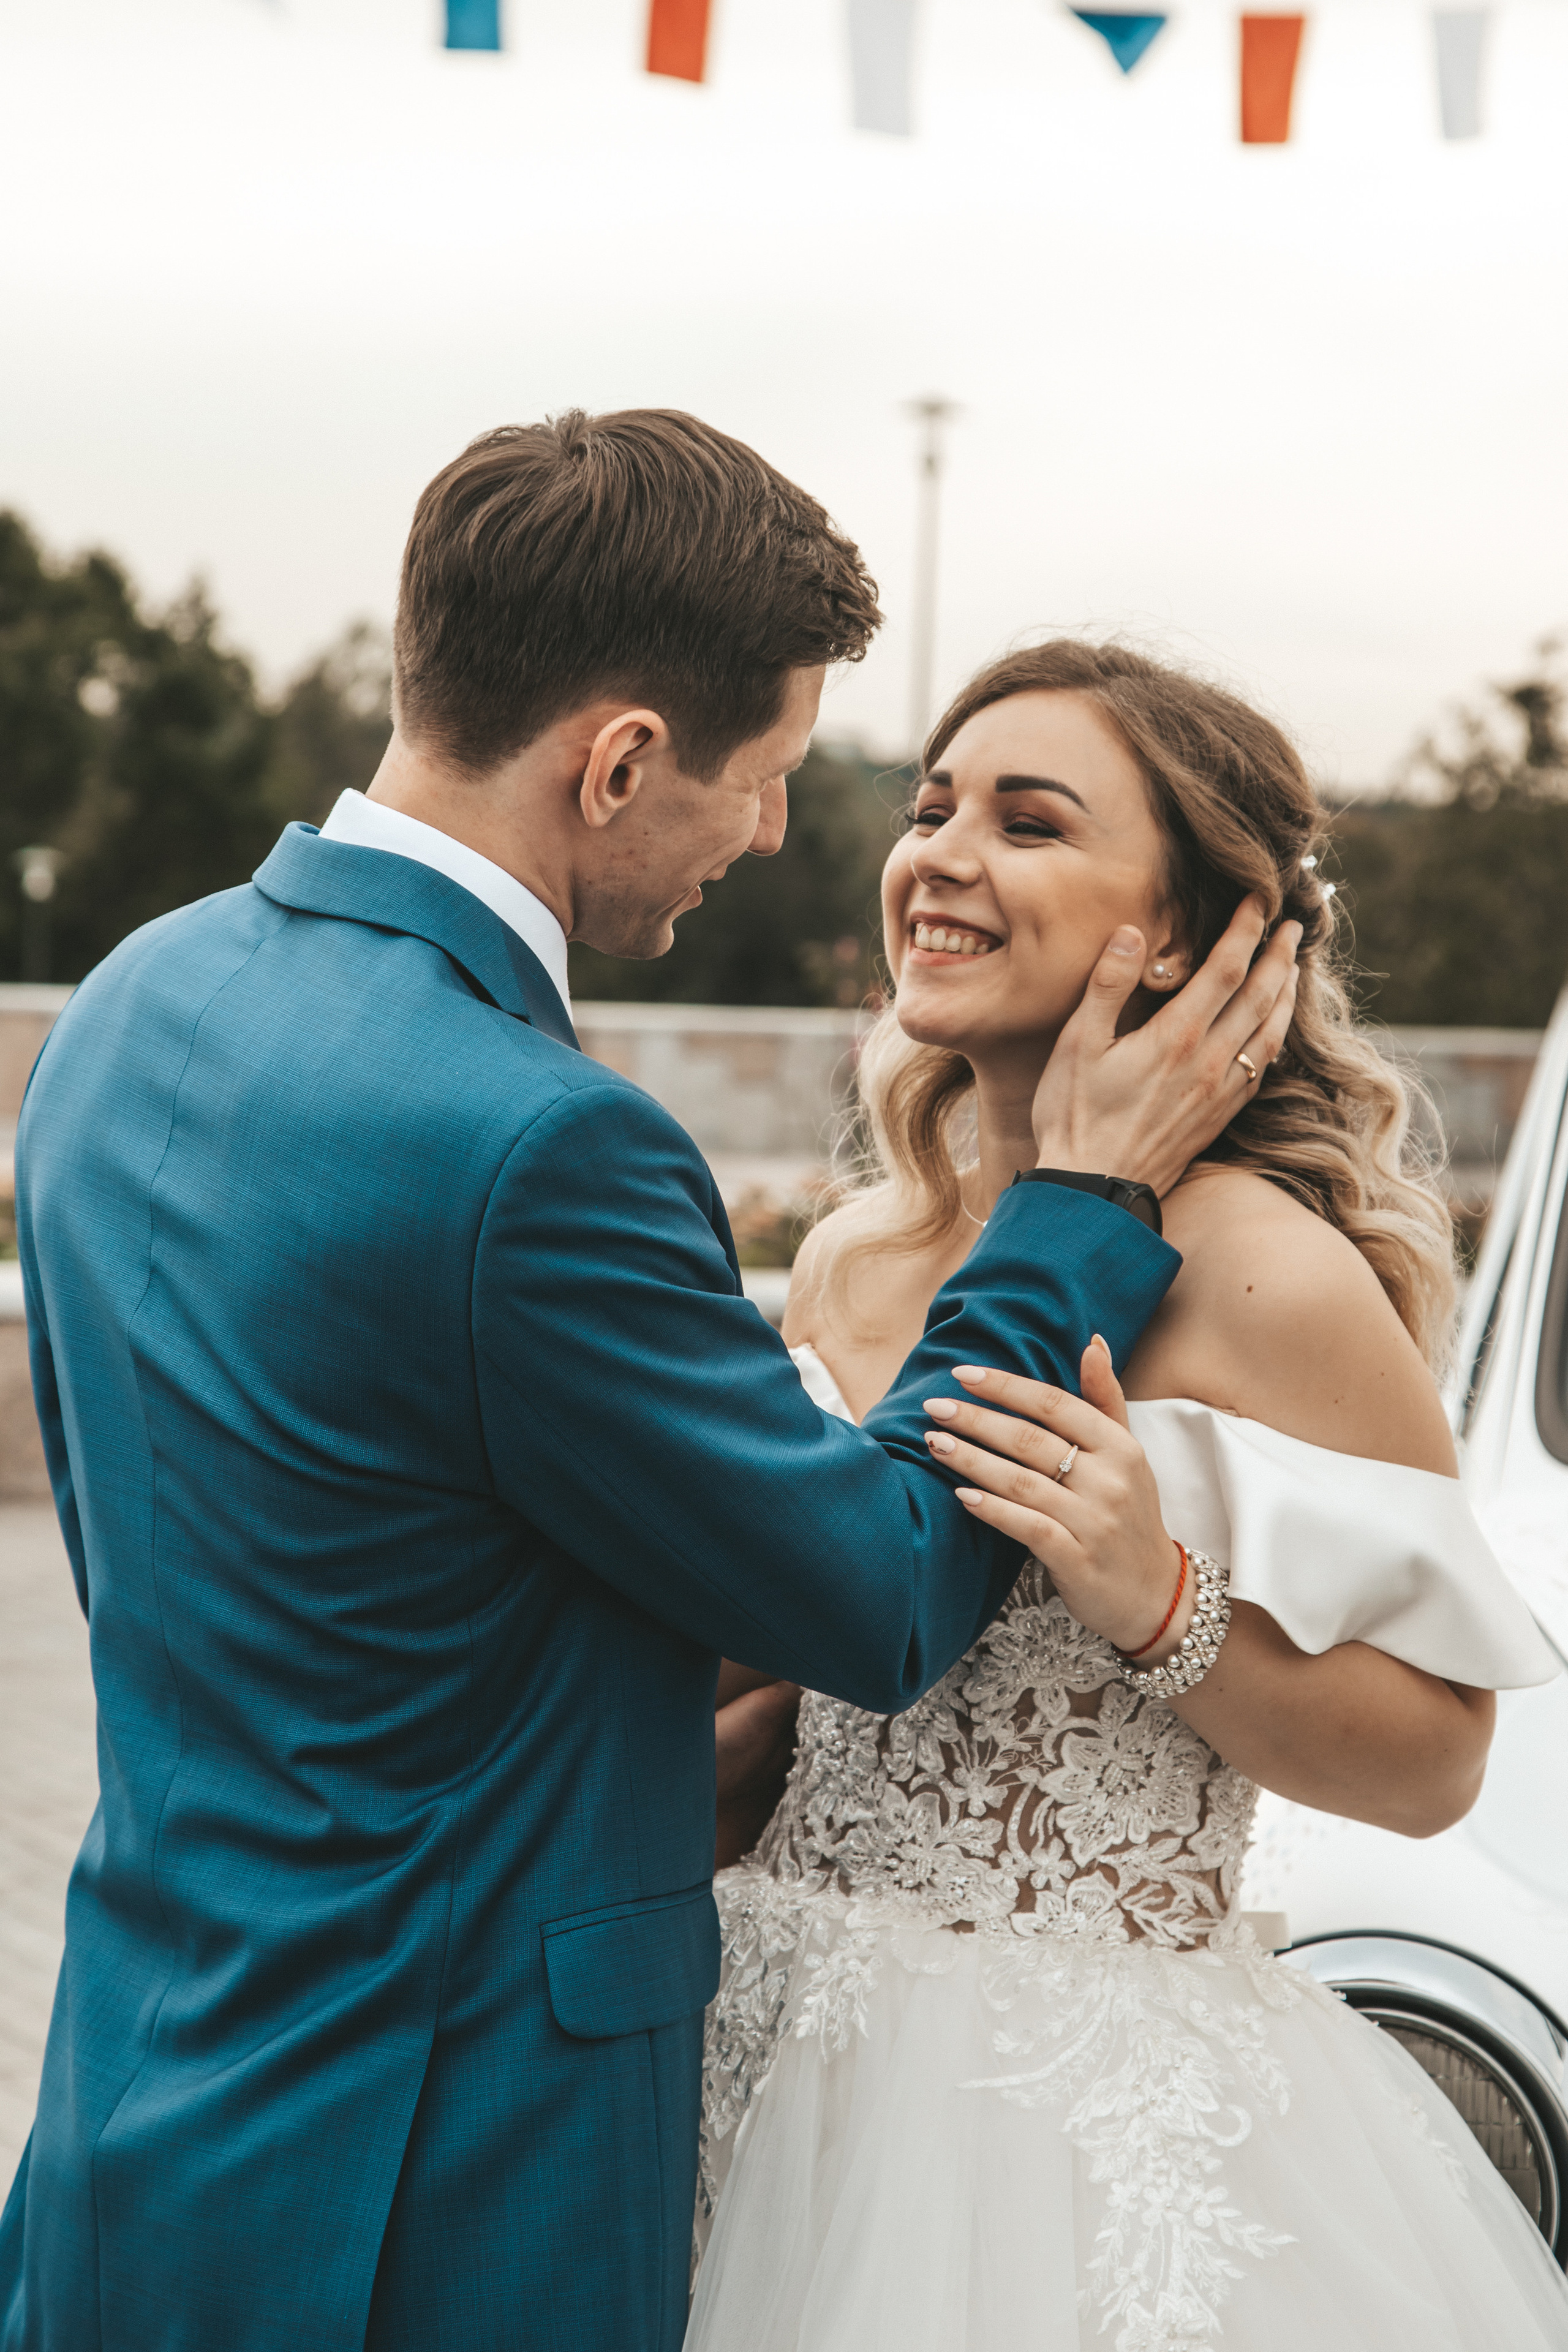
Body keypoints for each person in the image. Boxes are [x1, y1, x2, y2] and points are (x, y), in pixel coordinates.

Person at [0, 419, 1300, 2352]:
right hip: (439, 2172)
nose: (779, 834)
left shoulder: (135, 999)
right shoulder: (541, 1146)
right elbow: (876, 1593)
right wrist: (1086, 1203)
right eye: (765, 778)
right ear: (616, 760)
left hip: (141, 2095)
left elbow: (320, 1570)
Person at [688, 643, 1568, 2351]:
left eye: (1027, 821)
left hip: (1050, 2129)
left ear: (1180, 933)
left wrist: (1161, 1600)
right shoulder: (858, 1256)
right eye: (931, 806)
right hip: (754, 2043)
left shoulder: (1269, 1278)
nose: (939, 852)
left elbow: (1439, 1759)